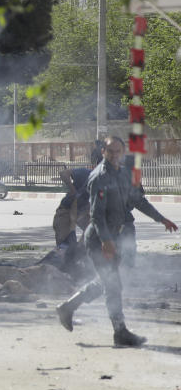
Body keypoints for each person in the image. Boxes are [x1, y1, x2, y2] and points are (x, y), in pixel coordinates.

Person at [55, 137, 178, 347]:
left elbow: (138, 200)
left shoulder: (123, 173)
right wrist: (106, 241)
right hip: (100, 240)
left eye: (117, 151)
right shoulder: (98, 178)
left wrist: (161, 218)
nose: (114, 155)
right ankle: (119, 332)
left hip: (119, 237)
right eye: (110, 151)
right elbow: (96, 215)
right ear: (103, 151)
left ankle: (69, 306)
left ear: (122, 152)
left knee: (113, 279)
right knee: (113, 284)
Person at [52, 165, 92, 271]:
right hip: (65, 210)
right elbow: (63, 173)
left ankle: (78, 258)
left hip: (82, 210)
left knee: (93, 233)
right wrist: (73, 190)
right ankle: (63, 268)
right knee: (64, 244)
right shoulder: (85, 173)